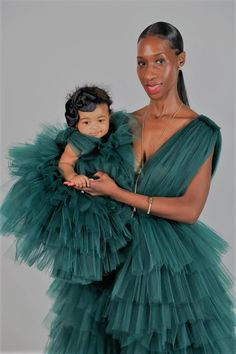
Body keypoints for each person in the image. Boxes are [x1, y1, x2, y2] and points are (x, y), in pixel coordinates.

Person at [43, 22, 236, 353]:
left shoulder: (202, 133)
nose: (149, 73)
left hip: (165, 267)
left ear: (181, 59)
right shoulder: (119, 123)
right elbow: (77, 160)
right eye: (141, 62)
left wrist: (117, 193)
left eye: (159, 60)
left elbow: (190, 210)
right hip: (109, 254)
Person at [0, 85, 137, 284]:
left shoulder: (115, 136)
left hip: (107, 190)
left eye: (101, 120)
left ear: (109, 114)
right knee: (88, 230)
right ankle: (95, 267)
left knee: (115, 224)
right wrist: (73, 175)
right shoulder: (77, 142)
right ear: (75, 124)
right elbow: (65, 162)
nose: (95, 127)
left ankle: (113, 263)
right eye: (86, 122)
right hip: (85, 196)